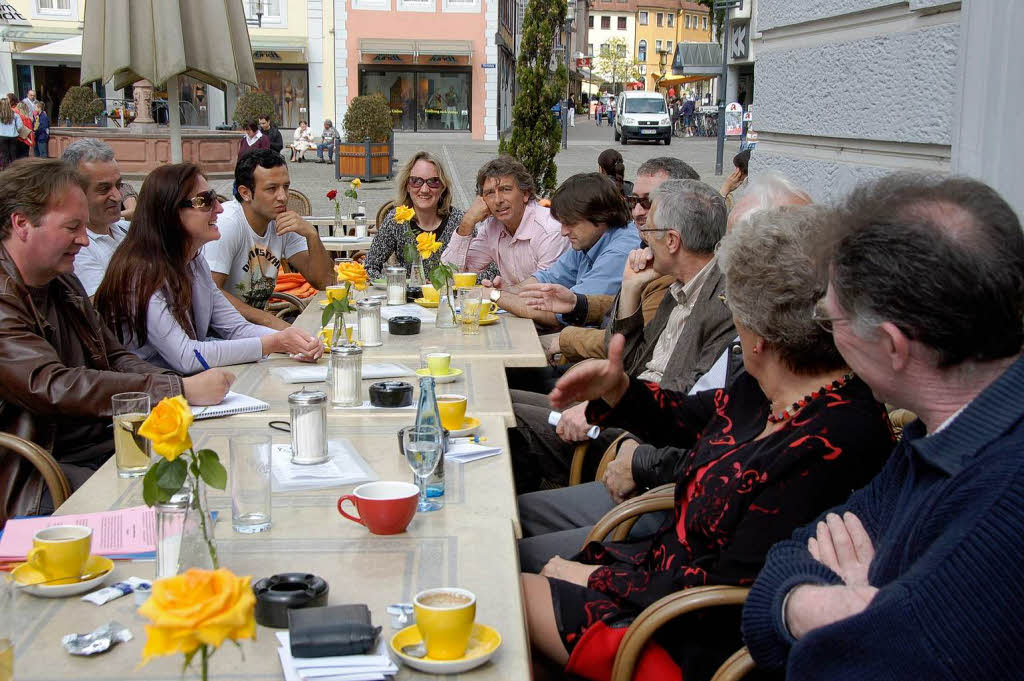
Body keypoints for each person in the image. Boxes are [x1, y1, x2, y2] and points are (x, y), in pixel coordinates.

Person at [521, 204, 894, 681]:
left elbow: (728, 588)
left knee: (500, 596)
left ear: (759, 335)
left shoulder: (833, 438)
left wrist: (595, 578)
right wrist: (618, 390)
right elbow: (686, 417)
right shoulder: (772, 388)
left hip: (685, 637)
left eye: (733, 309)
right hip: (659, 583)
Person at [741, 175, 1024, 681]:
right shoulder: (946, 432)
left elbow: (826, 668)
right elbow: (784, 564)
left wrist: (827, 618)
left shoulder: (997, 507)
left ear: (892, 346)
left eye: (831, 320)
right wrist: (816, 606)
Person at [0, 159, 233, 523]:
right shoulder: (7, 295)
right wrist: (177, 389)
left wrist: (171, 393)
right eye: (72, 227)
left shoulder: (61, 281)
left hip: (97, 440)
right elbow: (50, 385)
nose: (83, 239)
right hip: (33, 469)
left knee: (209, 462)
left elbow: (114, 355)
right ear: (21, 224)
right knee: (163, 508)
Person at [509, 179, 734, 493]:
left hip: (639, 434)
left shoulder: (720, 304)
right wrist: (629, 290)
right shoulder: (677, 286)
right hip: (624, 407)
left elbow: (685, 399)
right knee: (503, 403)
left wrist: (602, 409)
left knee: (508, 420)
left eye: (650, 230)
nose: (642, 239)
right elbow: (628, 359)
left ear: (671, 240)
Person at [95, 163, 322, 374]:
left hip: (189, 386)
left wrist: (294, 339)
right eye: (204, 201)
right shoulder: (140, 274)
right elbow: (185, 356)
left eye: (214, 198)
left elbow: (235, 328)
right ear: (170, 213)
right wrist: (274, 342)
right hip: (151, 401)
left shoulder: (193, 261)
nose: (218, 209)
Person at [483, 173, 641, 328]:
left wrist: (494, 295)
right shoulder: (589, 239)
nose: (563, 232)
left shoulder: (620, 252)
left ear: (601, 216)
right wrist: (508, 291)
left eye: (570, 223)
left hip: (597, 345)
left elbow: (562, 313)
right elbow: (548, 277)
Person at [204, 149, 334, 330]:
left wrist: (312, 235)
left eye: (286, 187)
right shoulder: (228, 224)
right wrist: (271, 322)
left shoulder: (282, 221)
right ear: (245, 193)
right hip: (218, 335)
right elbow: (209, 293)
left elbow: (325, 283)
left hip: (255, 330)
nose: (283, 197)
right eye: (272, 189)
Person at [441, 156, 568, 287]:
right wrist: (467, 222)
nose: (497, 200)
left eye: (505, 189)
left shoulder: (549, 230)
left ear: (525, 194)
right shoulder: (492, 227)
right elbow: (449, 278)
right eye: (490, 193)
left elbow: (545, 292)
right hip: (516, 304)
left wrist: (503, 295)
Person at [364, 151, 468, 280]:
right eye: (416, 181)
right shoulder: (396, 220)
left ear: (443, 187)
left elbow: (489, 269)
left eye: (433, 182)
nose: (424, 189)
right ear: (407, 186)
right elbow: (369, 267)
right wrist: (396, 285)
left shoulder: (461, 222)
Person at [61, 139, 129, 298]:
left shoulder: (128, 229)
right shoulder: (76, 250)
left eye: (118, 185)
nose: (118, 197)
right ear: (74, 193)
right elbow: (107, 307)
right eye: (104, 189)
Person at [0, 97, 26, 170]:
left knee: (5, 155)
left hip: (2, 136)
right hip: (13, 136)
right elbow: (20, 126)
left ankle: (6, 171)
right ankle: (14, 170)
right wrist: (15, 130)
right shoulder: (15, 114)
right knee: (13, 154)